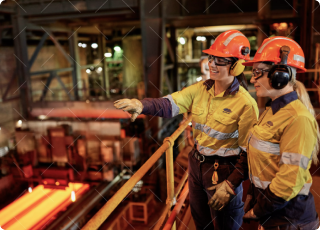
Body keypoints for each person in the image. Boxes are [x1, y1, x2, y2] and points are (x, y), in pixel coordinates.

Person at [114, 30, 259, 230]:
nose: (212, 64)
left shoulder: (246, 104)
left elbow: (248, 153)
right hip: (197, 165)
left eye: (220, 61)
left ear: (237, 65)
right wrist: (141, 105)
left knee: (226, 225)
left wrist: (231, 184)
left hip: (223, 171)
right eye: (211, 58)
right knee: (201, 222)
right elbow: (170, 104)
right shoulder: (200, 90)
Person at [241, 36, 320, 229]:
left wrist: (258, 210)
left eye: (258, 72)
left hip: (289, 219)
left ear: (280, 75)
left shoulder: (297, 118)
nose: (253, 79)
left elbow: (289, 180)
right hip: (273, 214)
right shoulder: (271, 111)